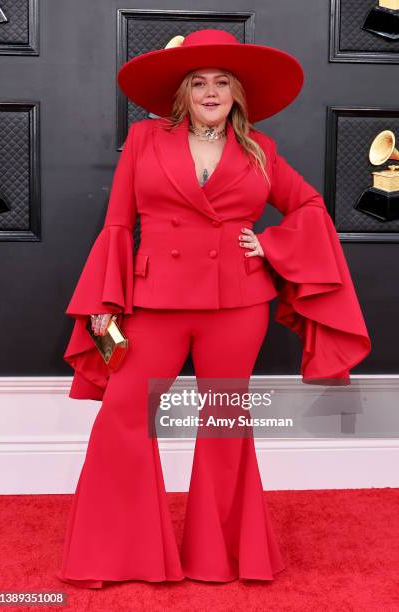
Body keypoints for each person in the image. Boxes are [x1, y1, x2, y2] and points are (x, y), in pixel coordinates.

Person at [56, 29, 371, 588]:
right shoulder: (145, 139)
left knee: (223, 424)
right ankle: (120, 555)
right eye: (198, 82)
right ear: (182, 93)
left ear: (236, 94)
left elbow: (309, 206)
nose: (209, 91)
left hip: (238, 303)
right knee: (124, 415)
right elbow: (118, 223)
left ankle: (219, 558)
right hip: (154, 300)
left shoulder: (261, 150)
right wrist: (104, 300)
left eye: (221, 82)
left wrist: (270, 245)